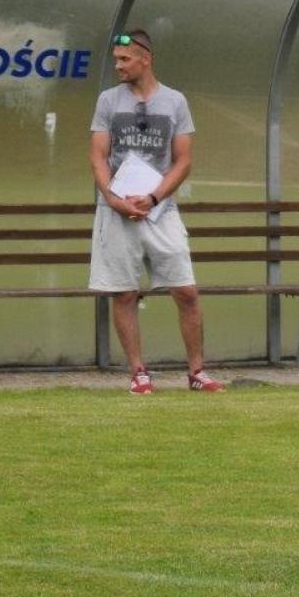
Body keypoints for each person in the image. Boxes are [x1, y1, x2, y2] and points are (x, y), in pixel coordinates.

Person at [87, 29, 222, 394]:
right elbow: (98, 155)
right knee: (125, 292)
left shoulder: (175, 102)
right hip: (117, 209)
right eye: (116, 59)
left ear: (146, 58)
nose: (118, 65)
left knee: (186, 291)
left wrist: (156, 196)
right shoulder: (108, 101)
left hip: (160, 209)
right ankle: (139, 373)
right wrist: (114, 199)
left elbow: (183, 161)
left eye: (125, 59)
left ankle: (197, 372)